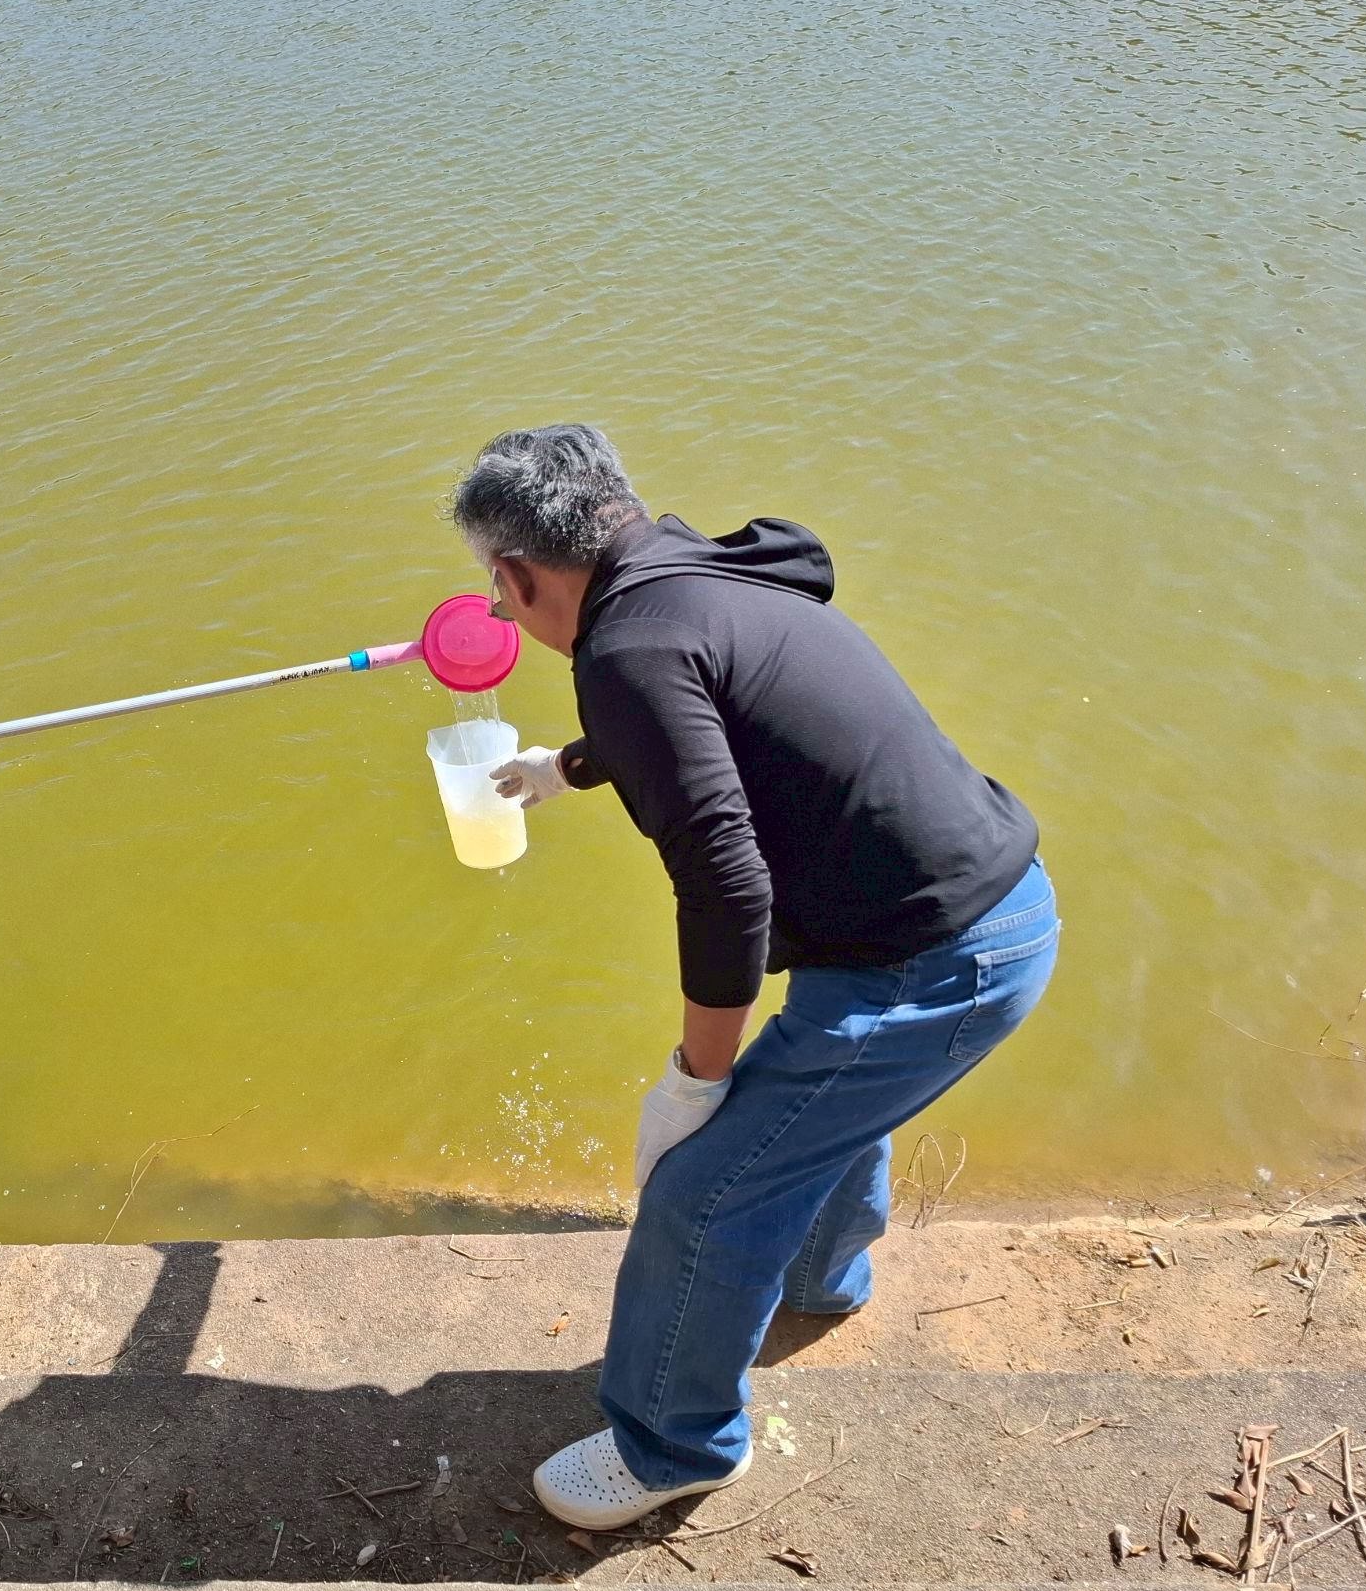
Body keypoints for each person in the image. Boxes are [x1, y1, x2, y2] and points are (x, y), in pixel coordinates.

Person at [453, 425, 1057, 1530]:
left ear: (514, 574)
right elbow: (723, 709)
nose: (499, 614)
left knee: (706, 1192)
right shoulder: (696, 569)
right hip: (991, 910)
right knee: (820, 1114)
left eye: (496, 595)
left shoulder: (624, 653)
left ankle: (673, 1446)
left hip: (933, 963)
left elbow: (728, 887)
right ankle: (824, 1284)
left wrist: (694, 1082)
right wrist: (575, 763)